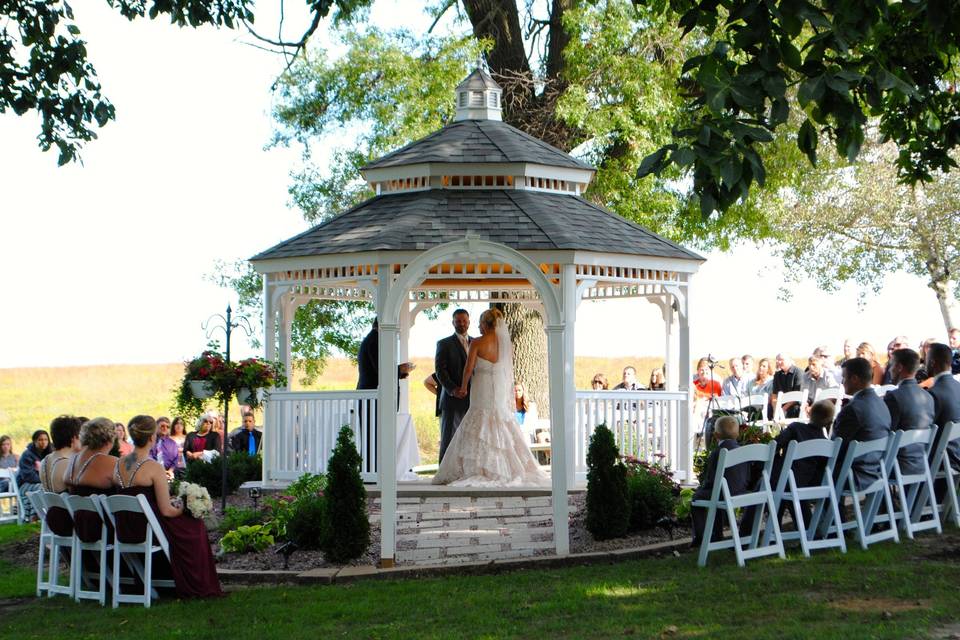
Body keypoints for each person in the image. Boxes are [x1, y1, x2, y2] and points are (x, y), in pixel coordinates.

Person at [432, 309, 549, 486]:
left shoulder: (477, 342)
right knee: (499, 424)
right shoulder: (505, 344)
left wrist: (463, 387)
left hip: (481, 391)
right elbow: (506, 371)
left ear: (486, 324)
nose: (478, 326)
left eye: (480, 322)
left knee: (479, 422)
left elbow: (468, 369)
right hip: (498, 393)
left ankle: (479, 469)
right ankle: (506, 469)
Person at [114, 415, 222, 598]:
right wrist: (186, 508)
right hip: (149, 527)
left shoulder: (119, 464)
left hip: (124, 526)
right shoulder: (153, 467)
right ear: (151, 437)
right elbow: (167, 510)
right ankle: (197, 582)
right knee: (195, 526)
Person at [830, 357, 891, 489]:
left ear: (855, 379)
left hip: (854, 475)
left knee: (795, 473)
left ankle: (829, 509)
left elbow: (835, 448)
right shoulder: (882, 403)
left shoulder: (853, 409)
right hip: (876, 471)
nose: (842, 382)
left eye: (844, 377)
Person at [691, 416, 750, 546]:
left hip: (722, 493)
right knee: (715, 496)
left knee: (696, 499)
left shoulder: (718, 452)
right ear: (737, 433)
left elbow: (711, 479)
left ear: (716, 434)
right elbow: (746, 475)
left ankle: (700, 536)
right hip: (739, 491)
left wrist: (702, 489)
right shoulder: (743, 450)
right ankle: (716, 534)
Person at [883, 348, 934, 477]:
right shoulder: (928, 397)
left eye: (891, 365)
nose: (889, 370)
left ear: (899, 367)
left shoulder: (894, 397)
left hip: (897, 466)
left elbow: (887, 434)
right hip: (921, 463)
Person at [435, 308, 472, 463]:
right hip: (452, 399)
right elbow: (440, 371)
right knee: (449, 438)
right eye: (458, 321)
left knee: (469, 437)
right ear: (453, 322)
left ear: (469, 322)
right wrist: (453, 389)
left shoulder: (476, 342)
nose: (461, 324)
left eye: (464, 321)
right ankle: (444, 472)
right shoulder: (444, 344)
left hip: (473, 399)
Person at [926, 342, 960, 475]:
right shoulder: (958, 387)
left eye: (927, 360)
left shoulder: (934, 393)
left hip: (945, 459)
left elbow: (926, 430)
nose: (925, 363)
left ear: (933, 362)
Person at [356, 318, 414, 390]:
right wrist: (400, 369)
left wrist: (401, 372)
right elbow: (381, 370)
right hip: (370, 394)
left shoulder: (374, 339)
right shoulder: (374, 341)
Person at [39, 415, 82, 493]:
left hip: (49, 504)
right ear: (74, 438)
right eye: (81, 436)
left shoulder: (44, 461)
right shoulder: (66, 463)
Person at [16, 429, 51, 521]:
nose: (43, 442)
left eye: (46, 439)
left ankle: (49, 516)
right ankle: (34, 517)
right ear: (34, 441)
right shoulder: (27, 455)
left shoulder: (50, 454)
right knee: (42, 488)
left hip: (42, 483)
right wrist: (45, 480)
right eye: (40, 440)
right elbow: (28, 476)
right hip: (25, 485)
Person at [772, 354, 803, 418]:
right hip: (781, 404)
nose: (778, 362)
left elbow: (797, 395)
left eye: (781, 360)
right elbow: (774, 395)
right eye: (777, 360)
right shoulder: (777, 375)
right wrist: (776, 409)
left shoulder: (798, 372)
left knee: (794, 409)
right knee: (768, 409)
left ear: (789, 360)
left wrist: (783, 409)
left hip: (794, 404)